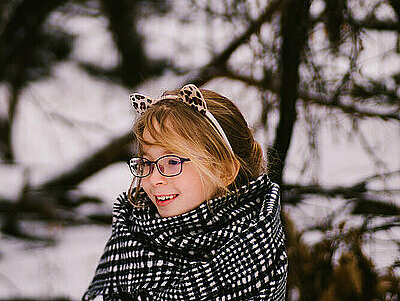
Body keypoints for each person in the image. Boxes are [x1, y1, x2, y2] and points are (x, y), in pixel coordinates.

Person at [82, 84, 288, 301]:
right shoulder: (133, 232)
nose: (153, 180)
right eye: (147, 162)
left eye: (172, 161)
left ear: (225, 170)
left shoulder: (253, 252)